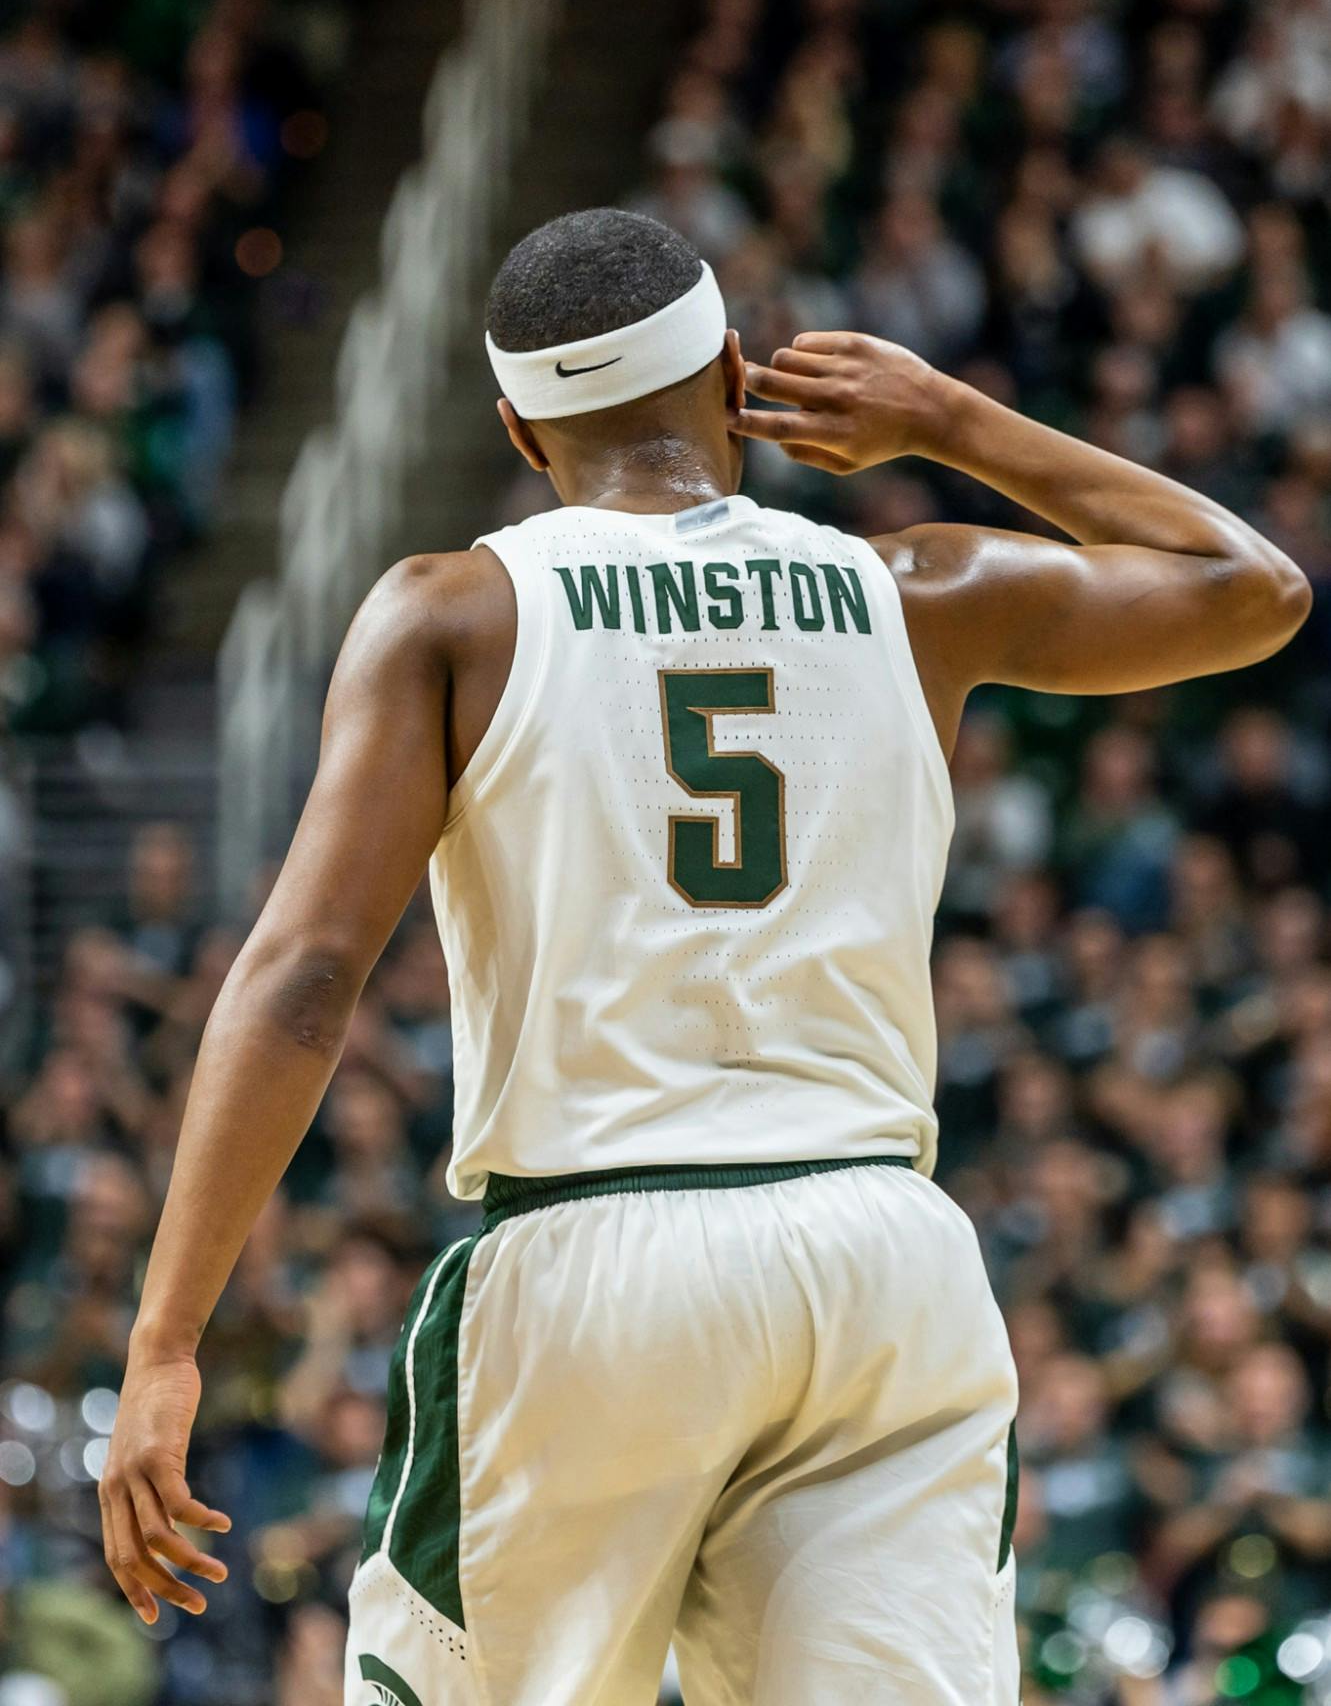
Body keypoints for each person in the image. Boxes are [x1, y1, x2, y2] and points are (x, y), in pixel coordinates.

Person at [98, 209, 1310, 1706]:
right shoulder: (912, 590)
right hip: (881, 1262)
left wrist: (165, 1343)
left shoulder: (458, 609)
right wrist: (950, 418)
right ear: (736, 373)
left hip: (597, 1257)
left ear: (519, 431)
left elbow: (301, 978)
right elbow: (1253, 586)